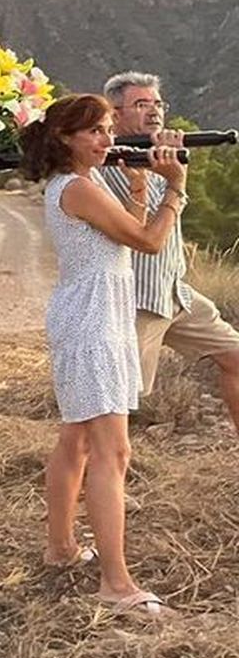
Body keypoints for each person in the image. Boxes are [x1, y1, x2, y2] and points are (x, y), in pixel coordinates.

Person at [19, 93, 186, 617]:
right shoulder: (78, 188)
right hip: (94, 321)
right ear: (65, 138)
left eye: (109, 129)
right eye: (94, 131)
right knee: (113, 452)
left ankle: (61, 548)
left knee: (78, 441)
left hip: (93, 314)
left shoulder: (77, 186)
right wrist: (175, 191)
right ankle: (115, 583)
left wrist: (140, 189)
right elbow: (149, 243)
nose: (108, 139)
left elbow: (119, 238)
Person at [98, 71, 239, 434]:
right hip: (139, 302)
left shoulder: (152, 156)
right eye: (141, 104)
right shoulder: (111, 161)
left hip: (174, 293)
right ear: (115, 114)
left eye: (158, 103)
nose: (154, 112)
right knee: (120, 409)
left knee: (236, 358)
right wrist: (175, 177)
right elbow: (147, 230)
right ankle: (96, 482)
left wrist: (166, 161)